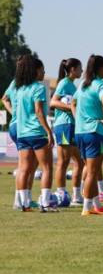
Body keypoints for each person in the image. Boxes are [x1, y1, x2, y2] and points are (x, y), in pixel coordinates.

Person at [72, 54, 103, 215]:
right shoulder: (101, 86)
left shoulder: (83, 84)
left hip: (80, 132)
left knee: (93, 170)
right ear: (102, 68)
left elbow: (73, 102)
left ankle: (97, 205)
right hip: (95, 132)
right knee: (92, 171)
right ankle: (87, 207)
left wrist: (79, 119)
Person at [14, 56, 56, 212]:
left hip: (23, 133)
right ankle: (45, 204)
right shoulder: (38, 88)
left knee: (24, 169)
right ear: (34, 70)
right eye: (41, 69)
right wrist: (48, 131)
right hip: (37, 133)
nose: (43, 72)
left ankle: (24, 204)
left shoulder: (20, 89)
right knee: (47, 168)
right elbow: (39, 111)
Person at [3, 55, 39, 209]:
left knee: (25, 164)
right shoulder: (28, 84)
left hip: (15, 125)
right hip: (25, 126)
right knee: (29, 164)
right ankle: (22, 200)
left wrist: (13, 113)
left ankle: (20, 200)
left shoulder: (15, 83)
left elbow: (4, 98)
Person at [50, 58, 84, 205]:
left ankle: (77, 196)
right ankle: (61, 195)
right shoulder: (64, 83)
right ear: (73, 70)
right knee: (63, 163)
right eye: (80, 68)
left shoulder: (72, 86)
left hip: (72, 126)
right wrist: (71, 108)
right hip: (64, 125)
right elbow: (53, 102)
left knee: (80, 162)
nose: (82, 71)